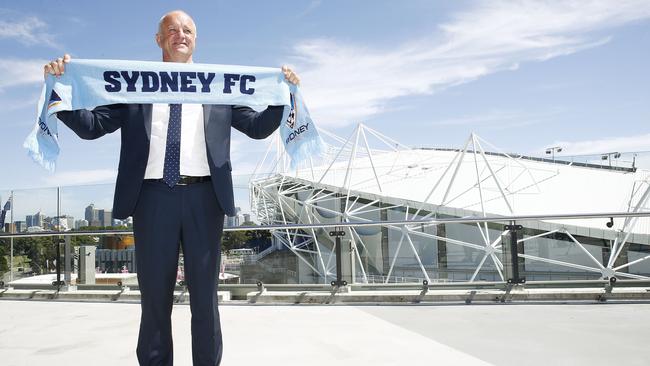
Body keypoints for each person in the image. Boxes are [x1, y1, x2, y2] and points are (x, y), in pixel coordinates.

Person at [44, 10, 300, 366]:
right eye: (173, 29)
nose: (181, 34)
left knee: (206, 302)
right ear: (159, 39)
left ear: (196, 38)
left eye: (188, 30)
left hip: (206, 199)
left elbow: (257, 127)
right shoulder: (134, 85)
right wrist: (59, 92)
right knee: (154, 301)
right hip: (151, 200)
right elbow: (92, 126)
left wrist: (282, 93)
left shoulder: (218, 84)